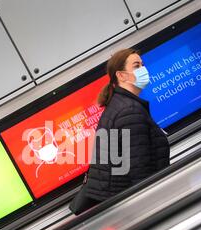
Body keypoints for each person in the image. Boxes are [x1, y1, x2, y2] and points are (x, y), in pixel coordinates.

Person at [70, 48, 170, 215]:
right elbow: (139, 172)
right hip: (133, 207)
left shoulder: (120, 105)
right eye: (137, 66)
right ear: (122, 75)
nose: (143, 70)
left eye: (143, 65)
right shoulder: (129, 111)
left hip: (118, 201)